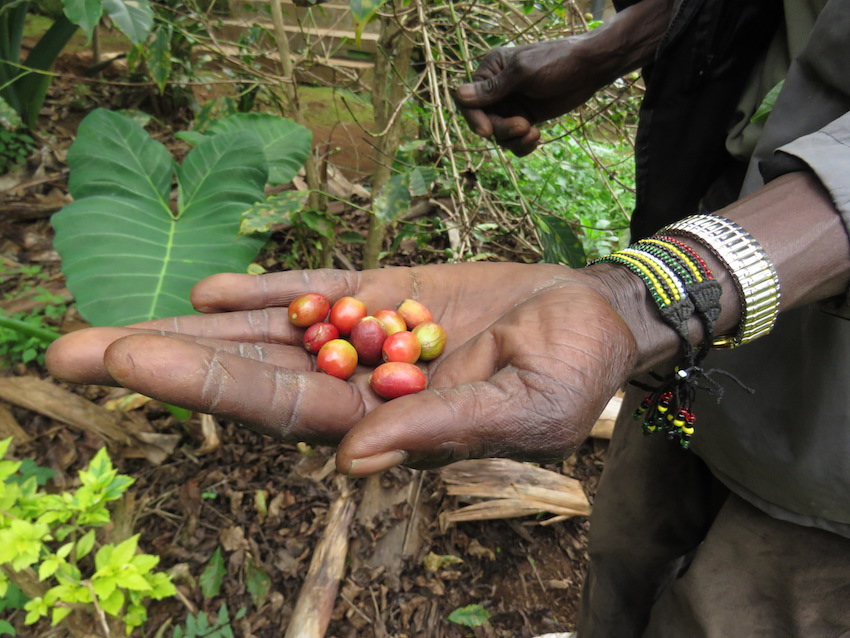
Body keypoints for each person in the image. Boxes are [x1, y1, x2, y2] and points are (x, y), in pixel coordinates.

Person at [46, 0, 850, 635]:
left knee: (742, 602)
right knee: (626, 546)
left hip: (824, 444)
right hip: (676, 348)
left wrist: (655, 291)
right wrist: (631, 37)